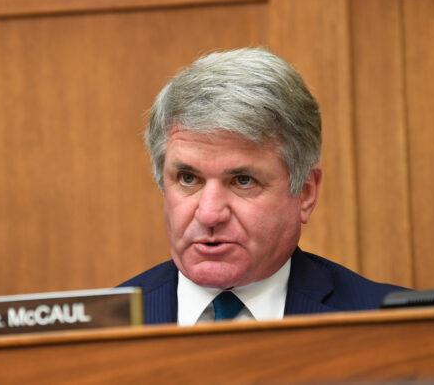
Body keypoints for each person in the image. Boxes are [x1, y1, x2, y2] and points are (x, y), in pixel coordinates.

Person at [120, 48, 402, 325]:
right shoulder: (99, 329)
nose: (208, 214)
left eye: (243, 181)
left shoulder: (394, 327)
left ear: (305, 193)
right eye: (188, 179)